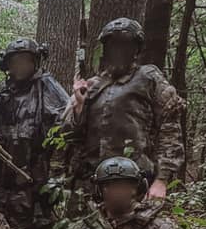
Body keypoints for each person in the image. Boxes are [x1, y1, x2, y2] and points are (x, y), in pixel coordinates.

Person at [63, 17, 185, 203]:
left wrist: (161, 180)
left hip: (134, 182)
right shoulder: (93, 85)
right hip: (91, 183)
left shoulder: (149, 79)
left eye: (125, 45)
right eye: (113, 45)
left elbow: (170, 130)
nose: (118, 51)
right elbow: (70, 136)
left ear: (136, 49)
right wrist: (79, 107)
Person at [0, 37, 69, 229]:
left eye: (25, 60)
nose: (20, 66)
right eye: (15, 61)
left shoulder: (46, 86)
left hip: (35, 179)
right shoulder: (4, 93)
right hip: (6, 181)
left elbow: (65, 125)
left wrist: (53, 171)